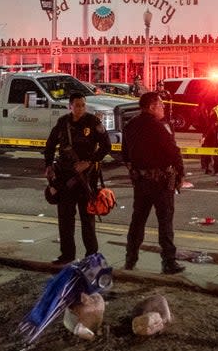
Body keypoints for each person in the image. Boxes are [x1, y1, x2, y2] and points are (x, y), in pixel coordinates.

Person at [43, 92, 111, 266]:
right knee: (65, 219)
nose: (80, 108)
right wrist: (49, 165)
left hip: (86, 178)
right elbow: (50, 145)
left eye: (83, 105)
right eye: (77, 105)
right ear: (70, 106)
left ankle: (91, 257)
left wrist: (89, 162)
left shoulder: (93, 122)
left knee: (87, 219)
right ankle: (67, 255)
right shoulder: (63, 123)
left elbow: (106, 146)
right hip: (65, 178)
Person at [122, 91, 186, 275]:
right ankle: (169, 261)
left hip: (141, 182)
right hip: (160, 183)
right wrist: (180, 174)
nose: (163, 107)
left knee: (138, 221)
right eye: (160, 104)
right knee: (165, 222)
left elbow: (126, 155)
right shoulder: (159, 127)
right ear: (151, 107)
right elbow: (173, 152)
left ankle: (130, 258)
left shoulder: (130, 125)